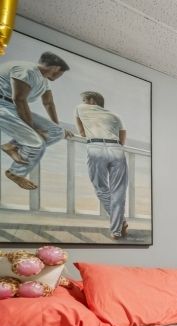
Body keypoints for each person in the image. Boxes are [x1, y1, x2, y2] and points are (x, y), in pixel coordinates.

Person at [0, 51, 69, 190]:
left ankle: (11, 146)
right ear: (55, 68)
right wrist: (33, 129)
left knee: (56, 132)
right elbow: (19, 99)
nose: (60, 76)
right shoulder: (26, 70)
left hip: (12, 107)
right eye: (61, 73)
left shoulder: (43, 79)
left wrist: (57, 126)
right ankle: (15, 173)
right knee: (36, 143)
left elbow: (48, 103)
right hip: (3, 105)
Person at [74, 91, 129, 239]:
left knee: (101, 188)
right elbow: (122, 138)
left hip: (96, 148)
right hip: (116, 149)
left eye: (85, 100)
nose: (83, 102)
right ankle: (116, 230)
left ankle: (121, 222)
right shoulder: (115, 115)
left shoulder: (80, 107)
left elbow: (82, 132)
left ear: (91, 101)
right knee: (119, 192)